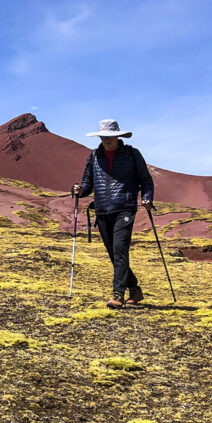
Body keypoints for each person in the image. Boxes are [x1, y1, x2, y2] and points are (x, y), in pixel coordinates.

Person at [73, 119, 154, 308]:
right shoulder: (94, 157)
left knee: (120, 250)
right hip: (102, 210)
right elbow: (88, 183)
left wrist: (147, 197)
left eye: (109, 137)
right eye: (103, 137)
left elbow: (146, 180)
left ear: (117, 136)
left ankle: (118, 294)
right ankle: (134, 288)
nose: (106, 140)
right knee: (113, 253)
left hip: (124, 208)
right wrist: (79, 190)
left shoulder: (131, 154)